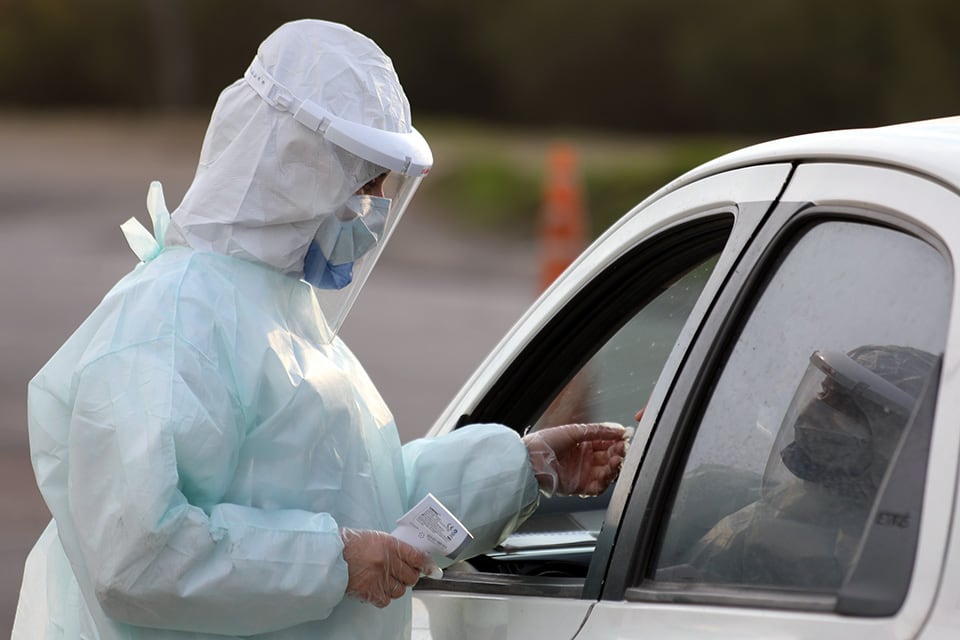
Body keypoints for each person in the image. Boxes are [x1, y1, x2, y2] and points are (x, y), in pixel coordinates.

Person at [12, 19, 629, 640]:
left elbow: (364, 499)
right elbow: (138, 556)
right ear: (292, 167)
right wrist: (332, 562)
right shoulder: (171, 319)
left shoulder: (280, 312)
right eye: (364, 184)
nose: (376, 208)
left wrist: (523, 466)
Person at [668, 344, 936, 588]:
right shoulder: (719, 489)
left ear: (894, 437)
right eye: (823, 391)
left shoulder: (877, 569)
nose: (810, 413)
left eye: (842, 407)